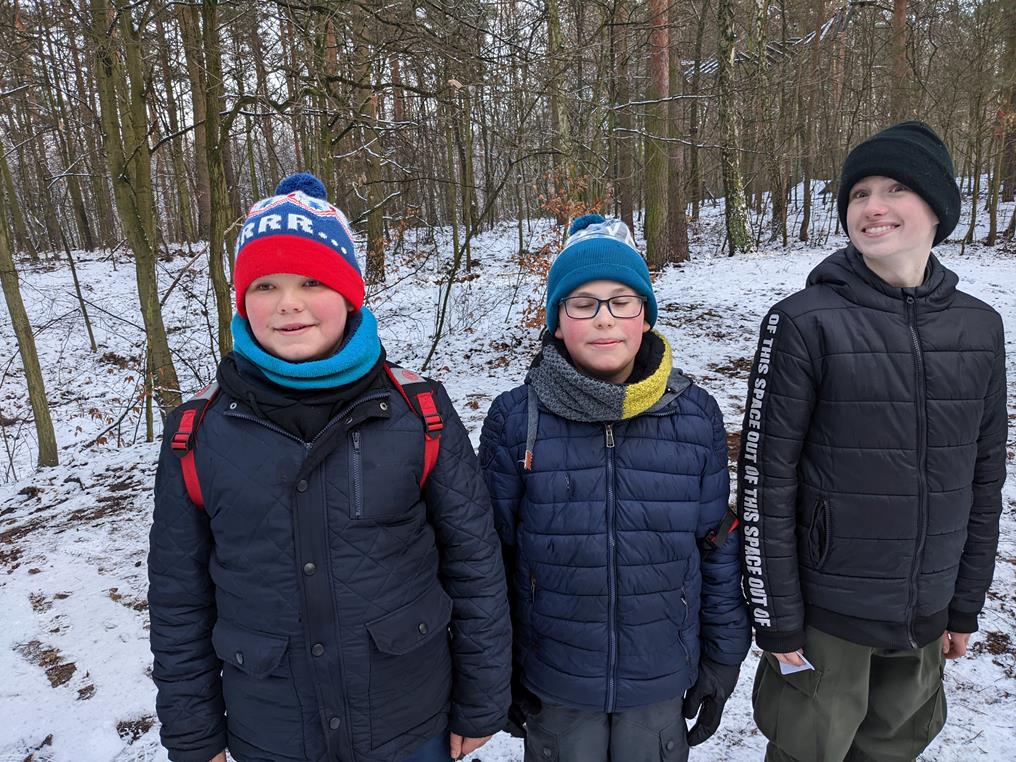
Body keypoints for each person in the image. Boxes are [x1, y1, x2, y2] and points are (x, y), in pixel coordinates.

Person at [149, 173, 511, 762]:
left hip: (408, 721)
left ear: (348, 294)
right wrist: (193, 734)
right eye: (266, 285)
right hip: (272, 731)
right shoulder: (198, 431)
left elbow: (474, 563)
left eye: (312, 281)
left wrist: (481, 699)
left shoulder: (418, 411)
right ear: (243, 301)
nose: (288, 303)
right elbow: (178, 597)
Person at [738, 121, 1007, 761]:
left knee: (894, 749)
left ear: (937, 208)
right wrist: (776, 617)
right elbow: (763, 480)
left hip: (925, 612)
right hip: (828, 617)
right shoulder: (803, 323)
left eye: (894, 189)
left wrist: (963, 604)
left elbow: (985, 475)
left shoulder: (980, 327)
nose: (873, 207)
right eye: (859, 194)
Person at [479, 214, 750, 762]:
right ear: (557, 322)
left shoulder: (694, 416)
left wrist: (723, 656)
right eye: (582, 303)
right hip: (555, 681)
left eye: (621, 301)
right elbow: (491, 557)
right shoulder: (515, 418)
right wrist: (494, 670)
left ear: (645, 316)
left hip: (659, 677)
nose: (604, 318)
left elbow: (717, 545)